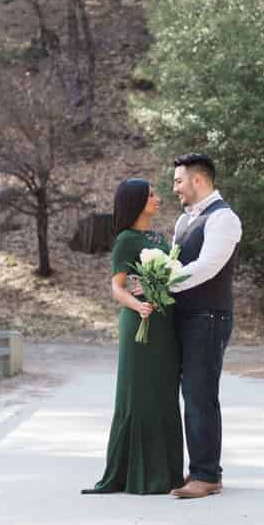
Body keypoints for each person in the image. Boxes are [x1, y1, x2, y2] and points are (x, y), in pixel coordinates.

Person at [82, 178, 185, 496]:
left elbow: (173, 275)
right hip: (139, 323)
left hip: (165, 324)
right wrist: (138, 304)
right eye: (151, 195)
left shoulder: (158, 237)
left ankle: (168, 474)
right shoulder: (125, 240)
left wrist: (162, 285)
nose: (158, 198)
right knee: (139, 394)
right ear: (137, 201)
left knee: (165, 395)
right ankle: (137, 474)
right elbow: (116, 287)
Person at [166, 153, 242, 500]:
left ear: (198, 180)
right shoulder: (184, 221)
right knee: (191, 395)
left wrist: (165, 284)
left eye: (179, 180)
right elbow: (174, 263)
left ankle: (206, 475)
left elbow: (208, 266)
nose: (175, 188)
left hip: (209, 318)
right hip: (184, 317)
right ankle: (202, 467)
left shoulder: (223, 218)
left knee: (200, 395)